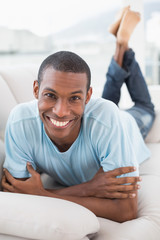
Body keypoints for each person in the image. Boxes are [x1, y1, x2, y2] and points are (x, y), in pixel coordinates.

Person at [1, 7, 154, 223]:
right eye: (50, 95)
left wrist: (44, 195)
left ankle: (123, 47)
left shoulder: (108, 120)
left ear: (87, 96)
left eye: (74, 97)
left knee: (145, 107)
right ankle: (120, 45)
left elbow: (126, 211)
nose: (60, 111)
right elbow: (15, 193)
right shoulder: (20, 122)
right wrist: (88, 189)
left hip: (129, 125)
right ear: (35, 90)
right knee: (104, 105)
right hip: (96, 118)